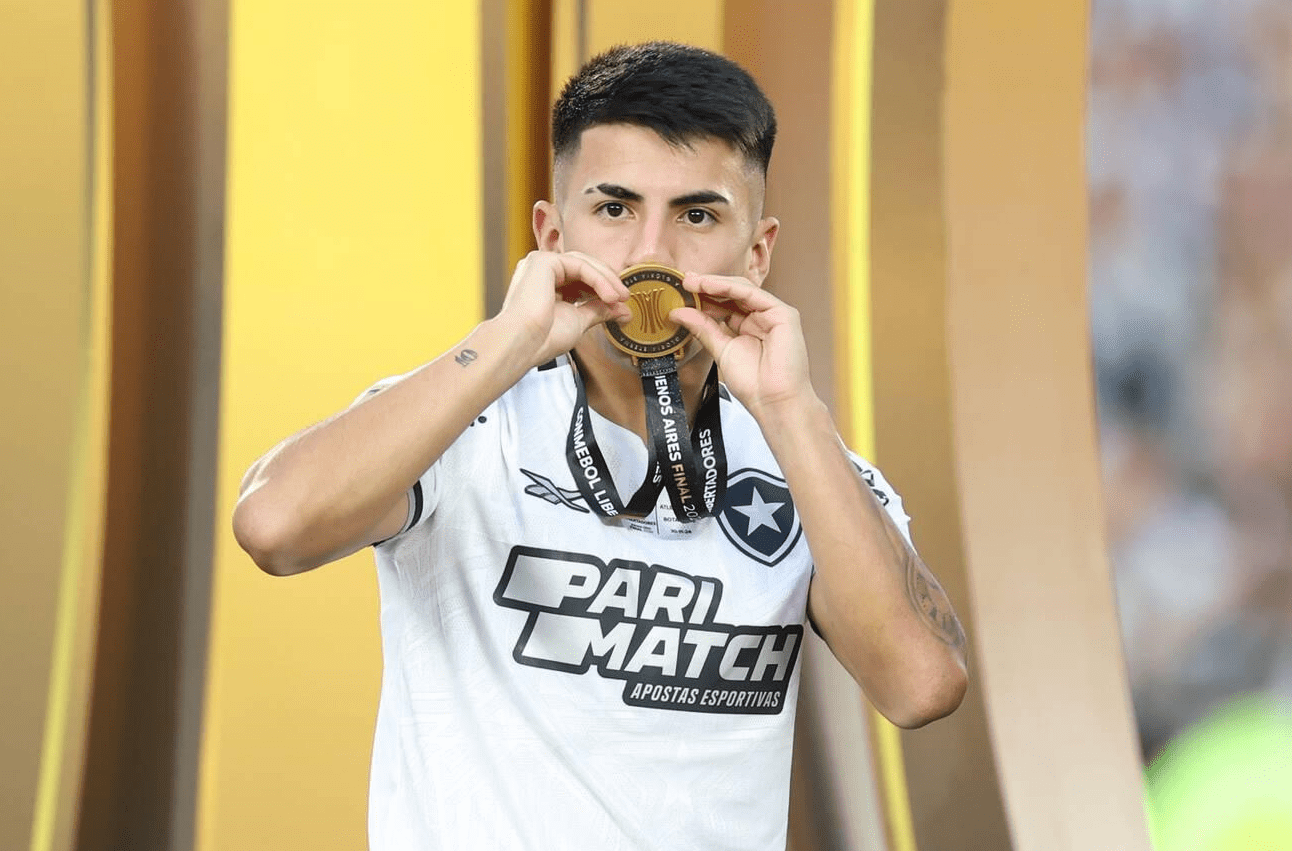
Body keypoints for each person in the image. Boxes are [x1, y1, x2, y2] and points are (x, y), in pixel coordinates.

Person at [233, 41, 967, 851]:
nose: (651, 254)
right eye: (614, 209)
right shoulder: (461, 425)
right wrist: (508, 341)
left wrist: (791, 410)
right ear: (553, 232)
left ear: (755, 254)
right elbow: (273, 526)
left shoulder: (808, 464)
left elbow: (921, 685)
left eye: (696, 215)